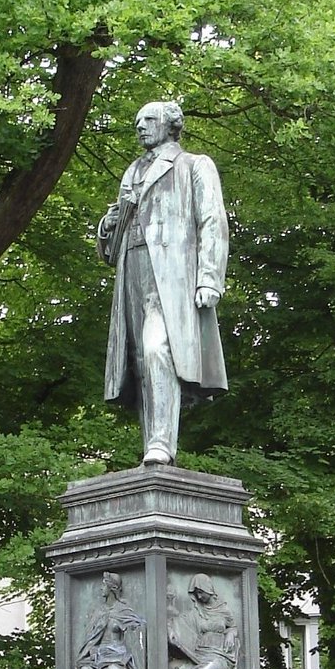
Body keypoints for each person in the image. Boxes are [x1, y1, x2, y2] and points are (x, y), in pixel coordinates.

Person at [97, 100, 229, 465]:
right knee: (139, 359)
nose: (140, 126)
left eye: (148, 120)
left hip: (173, 276)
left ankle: (160, 444)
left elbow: (212, 222)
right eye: (136, 121)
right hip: (132, 269)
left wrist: (209, 278)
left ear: (170, 125)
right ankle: (153, 447)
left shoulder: (194, 165)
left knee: (158, 349)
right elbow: (112, 245)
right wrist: (107, 228)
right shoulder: (132, 171)